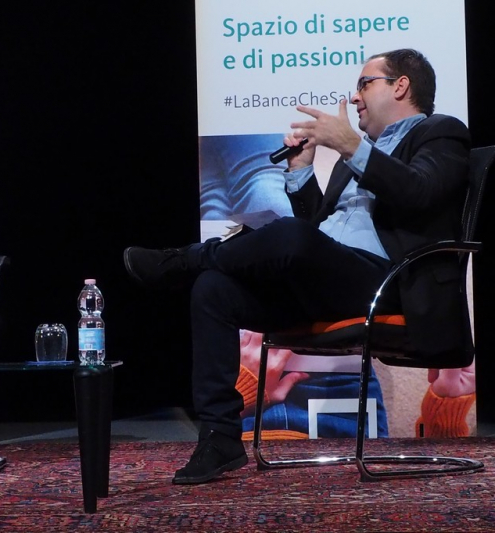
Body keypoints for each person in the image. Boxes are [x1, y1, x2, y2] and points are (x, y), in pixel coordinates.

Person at [124, 49, 471, 485]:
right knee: (213, 289)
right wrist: (301, 171)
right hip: (331, 281)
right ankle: (219, 437)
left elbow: (419, 192)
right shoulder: (359, 155)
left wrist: (350, 146)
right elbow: (316, 229)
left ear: (401, 86)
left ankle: (184, 259)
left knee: (289, 236)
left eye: (365, 84)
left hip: (386, 283)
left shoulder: (441, 133)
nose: (356, 96)